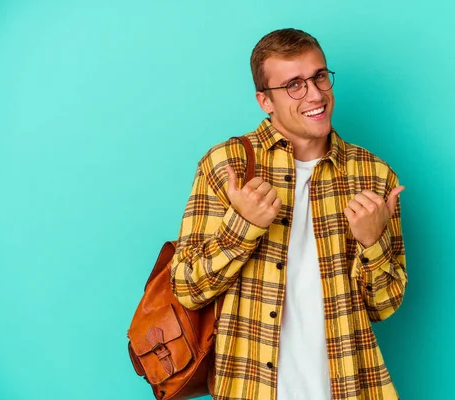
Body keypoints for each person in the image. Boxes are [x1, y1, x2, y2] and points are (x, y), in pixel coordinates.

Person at [171, 28, 407, 400]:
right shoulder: (227, 165)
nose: (315, 94)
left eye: (318, 77)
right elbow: (187, 287)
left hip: (346, 386)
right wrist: (244, 225)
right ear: (265, 100)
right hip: (250, 386)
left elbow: (384, 305)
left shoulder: (373, 174)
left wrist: (372, 242)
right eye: (294, 85)